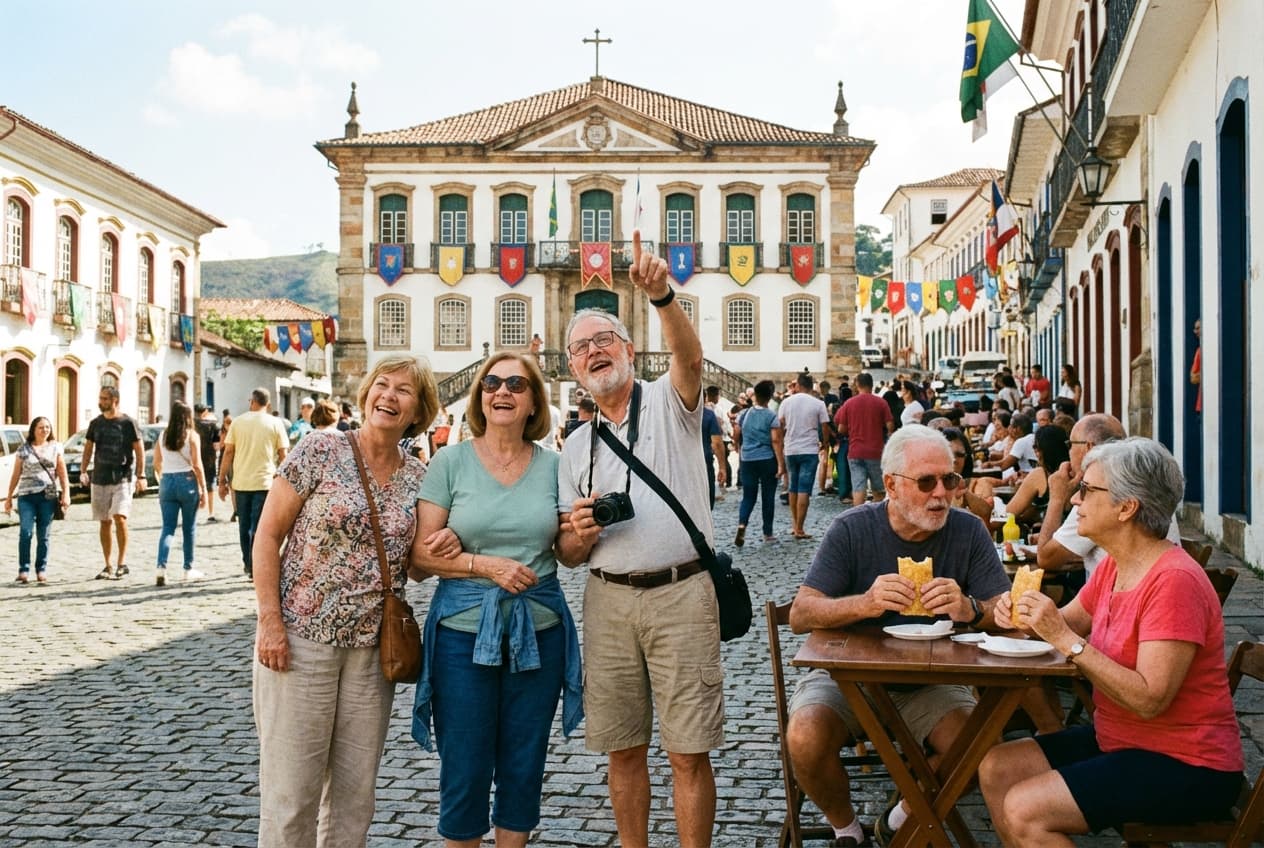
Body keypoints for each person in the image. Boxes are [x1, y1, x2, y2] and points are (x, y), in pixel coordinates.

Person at [980, 438, 1244, 843]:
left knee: (1026, 810)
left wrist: (1066, 641)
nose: (1075, 501)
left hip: (1188, 762)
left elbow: (1149, 697)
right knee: (998, 766)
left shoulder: (1173, 581)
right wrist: (1015, 616)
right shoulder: (1114, 567)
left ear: (1127, 507)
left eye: (1086, 490)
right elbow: (1058, 625)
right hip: (1121, 738)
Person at [557, 231, 723, 848]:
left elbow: (691, 360)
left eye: (605, 340)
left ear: (629, 349)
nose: (595, 352)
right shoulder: (575, 448)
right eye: (582, 348)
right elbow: (569, 554)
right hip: (608, 601)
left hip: (682, 593)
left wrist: (661, 298)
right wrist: (576, 534)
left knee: (687, 751)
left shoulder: (670, 404)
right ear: (574, 369)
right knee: (622, 749)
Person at [786, 425, 1012, 847]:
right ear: (890, 484)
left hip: (934, 680)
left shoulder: (968, 531)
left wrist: (972, 609)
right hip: (847, 677)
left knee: (981, 749)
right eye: (926, 482)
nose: (941, 494)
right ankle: (847, 831)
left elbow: (1009, 612)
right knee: (804, 736)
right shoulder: (852, 529)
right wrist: (865, 603)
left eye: (950, 479)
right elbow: (801, 614)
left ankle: (901, 817)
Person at [252, 355, 439, 848]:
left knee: (354, 800)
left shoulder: (419, 478)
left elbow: (414, 565)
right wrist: (269, 623)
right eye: (383, 384)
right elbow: (267, 535)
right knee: (292, 796)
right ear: (366, 393)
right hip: (301, 640)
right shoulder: (320, 448)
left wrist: (448, 548)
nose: (389, 396)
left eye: (404, 391)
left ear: (419, 411)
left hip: (370, 654)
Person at [409, 352, 583, 847]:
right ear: (479, 397)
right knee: (464, 767)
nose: (501, 391)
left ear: (534, 402)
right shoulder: (450, 461)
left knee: (524, 764)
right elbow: (420, 559)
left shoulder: (556, 466)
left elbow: (567, 555)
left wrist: (584, 534)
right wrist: (481, 564)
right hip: (462, 638)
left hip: (539, 632)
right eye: (491, 383)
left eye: (515, 384)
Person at [1036, 413, 1180, 576]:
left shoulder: (1103, 493)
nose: (1075, 499)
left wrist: (1056, 498)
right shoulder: (1146, 485)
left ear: (1088, 448)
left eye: (1070, 444)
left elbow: (1046, 558)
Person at [218, 388, 290, 579]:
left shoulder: (238, 422)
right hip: (265, 482)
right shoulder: (276, 423)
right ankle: (256, 563)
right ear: (267, 404)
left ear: (252, 401)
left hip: (241, 482)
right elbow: (284, 455)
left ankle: (248, 563)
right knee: (259, 526)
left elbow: (228, 452)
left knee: (244, 525)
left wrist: (222, 480)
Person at [81, 386, 146, 580]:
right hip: (100, 478)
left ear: (115, 400)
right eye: (100, 398)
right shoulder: (95, 424)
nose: (101, 402)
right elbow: (88, 448)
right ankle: (108, 564)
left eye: (105, 399)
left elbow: (139, 450)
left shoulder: (128, 423)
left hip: (122, 477)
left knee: (120, 517)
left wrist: (141, 476)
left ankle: (122, 562)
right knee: (104, 521)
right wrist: (84, 470)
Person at [4, 417, 70, 584]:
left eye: (47, 427)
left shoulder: (56, 447)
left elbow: (62, 473)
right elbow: (16, 474)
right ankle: (23, 570)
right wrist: (9, 497)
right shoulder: (23, 449)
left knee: (44, 535)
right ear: (34, 429)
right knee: (25, 532)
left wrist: (66, 494)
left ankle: (41, 569)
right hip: (26, 497)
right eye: (41, 427)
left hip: (47, 497)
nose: (45, 430)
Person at [153, 401, 208, 585]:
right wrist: (203, 489)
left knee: (167, 528)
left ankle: (161, 568)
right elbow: (197, 464)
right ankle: (187, 569)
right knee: (189, 528)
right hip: (187, 481)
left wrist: (164, 476)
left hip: (167, 481)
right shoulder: (191, 436)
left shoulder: (163, 435)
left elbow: (156, 462)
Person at [779, 372, 833, 539]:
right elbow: (825, 427)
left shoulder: (786, 402)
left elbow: (780, 424)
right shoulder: (818, 404)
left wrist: (782, 443)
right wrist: (824, 443)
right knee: (804, 489)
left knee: (793, 487)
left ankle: (795, 525)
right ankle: (800, 529)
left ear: (798, 385)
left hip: (791, 449)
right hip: (809, 449)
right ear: (811, 386)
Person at [732, 379, 784, 546]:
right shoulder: (771, 416)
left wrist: (738, 447)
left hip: (748, 459)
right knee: (768, 496)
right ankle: (767, 533)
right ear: (769, 397)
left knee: (748, 496)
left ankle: (742, 524)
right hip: (767, 459)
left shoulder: (744, 414)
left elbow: (736, 433)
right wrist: (781, 463)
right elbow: (776, 441)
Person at [834, 371, 893, 507]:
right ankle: (878, 517)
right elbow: (890, 426)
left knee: (858, 488)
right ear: (872, 385)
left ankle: (858, 518)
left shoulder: (849, 403)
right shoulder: (881, 402)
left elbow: (841, 429)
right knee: (878, 489)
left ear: (857, 384)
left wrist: (853, 429)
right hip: (875, 451)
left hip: (855, 451)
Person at [1005, 424, 1070, 527]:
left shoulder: (1040, 475)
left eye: (1035, 447)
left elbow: (1007, 515)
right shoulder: (1074, 473)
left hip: (1042, 535)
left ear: (1044, 450)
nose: (1034, 451)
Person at [941, 427, 993, 524]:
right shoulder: (928, 486)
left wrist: (963, 490)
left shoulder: (976, 484)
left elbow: (986, 512)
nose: (954, 460)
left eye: (959, 455)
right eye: (949, 454)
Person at [193, 405, 220, 523]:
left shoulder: (190, 425)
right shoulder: (213, 425)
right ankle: (210, 513)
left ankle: (193, 513)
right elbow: (216, 445)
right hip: (209, 459)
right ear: (204, 412)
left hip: (194, 459)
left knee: (194, 485)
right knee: (209, 487)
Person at [1190, 319, 1202, 414]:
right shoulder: (1199, 351)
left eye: (1198, 328)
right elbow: (1193, 378)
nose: (1195, 331)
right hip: (1201, 404)